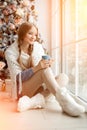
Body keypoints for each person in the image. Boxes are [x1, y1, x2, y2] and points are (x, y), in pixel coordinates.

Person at [5, 22, 86, 116]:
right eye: (30, 33)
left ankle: (32, 102)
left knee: (63, 77)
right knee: (43, 70)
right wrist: (38, 67)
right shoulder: (11, 52)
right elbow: (17, 78)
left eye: (35, 34)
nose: (33, 37)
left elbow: (44, 72)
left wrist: (47, 64)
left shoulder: (37, 47)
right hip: (23, 89)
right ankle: (66, 103)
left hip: (39, 87)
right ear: (22, 34)